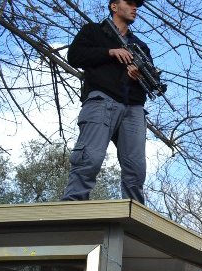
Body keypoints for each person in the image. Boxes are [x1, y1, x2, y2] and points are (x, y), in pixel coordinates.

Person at [62, 0, 155, 204]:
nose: (135, 8)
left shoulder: (141, 46)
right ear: (114, 6)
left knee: (136, 168)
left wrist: (138, 75)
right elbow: (74, 56)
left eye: (136, 5)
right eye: (129, 3)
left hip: (134, 108)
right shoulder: (93, 31)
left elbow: (152, 84)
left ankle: (134, 215)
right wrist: (110, 52)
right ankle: (72, 207)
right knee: (90, 158)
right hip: (101, 99)